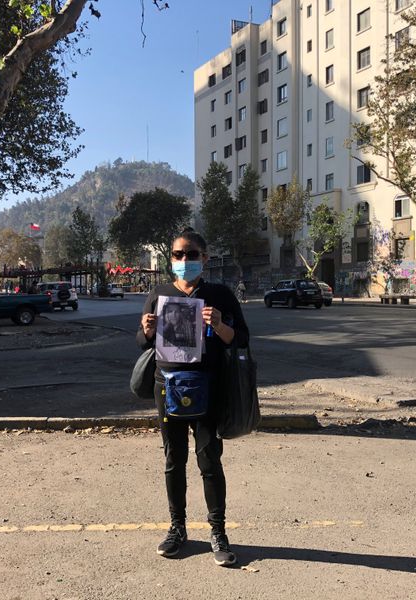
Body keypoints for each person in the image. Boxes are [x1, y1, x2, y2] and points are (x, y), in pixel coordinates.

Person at [137, 229, 249, 567]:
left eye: (191, 254)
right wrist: (146, 330)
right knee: (174, 460)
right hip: (166, 388)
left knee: (209, 460)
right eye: (178, 255)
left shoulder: (220, 294)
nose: (184, 261)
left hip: (207, 388)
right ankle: (177, 528)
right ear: (171, 258)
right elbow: (143, 345)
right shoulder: (159, 294)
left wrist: (220, 324)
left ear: (205, 257)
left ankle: (218, 532)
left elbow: (241, 338)